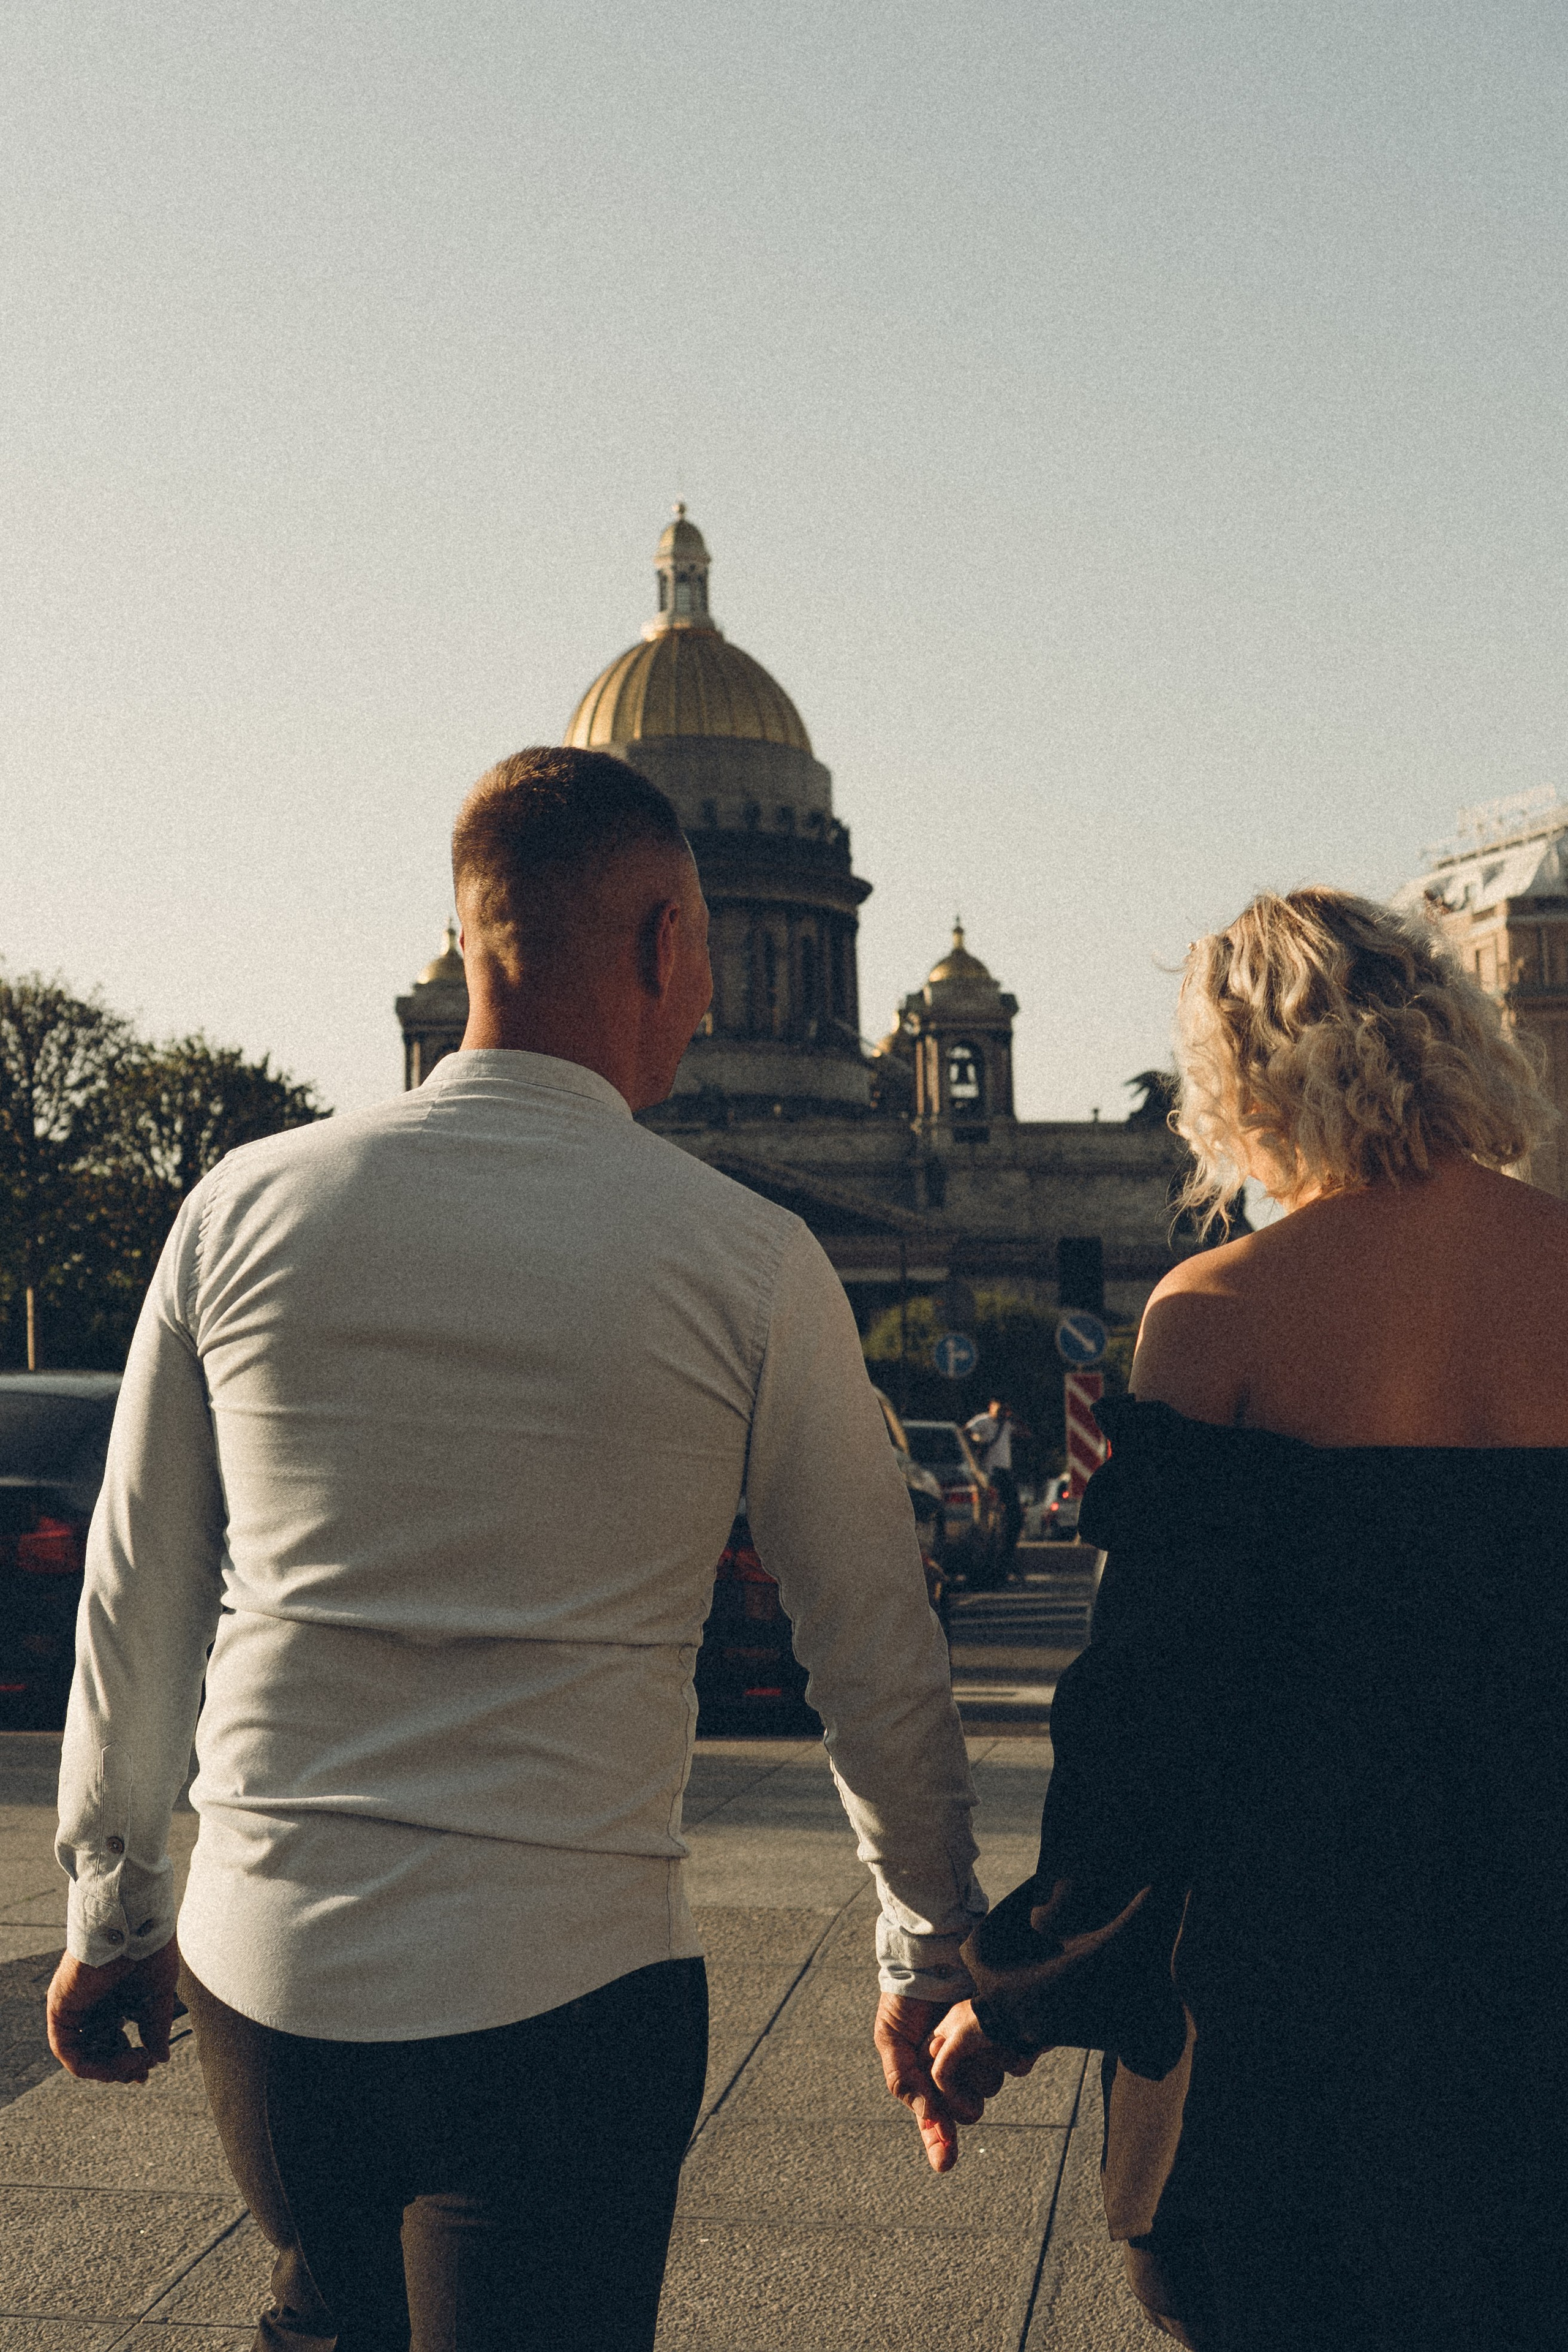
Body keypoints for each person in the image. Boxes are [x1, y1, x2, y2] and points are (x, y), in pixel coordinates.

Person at [47, 747, 986, 2352]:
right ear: (668, 939)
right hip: (571, 1980)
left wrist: (113, 1910)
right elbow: (872, 1651)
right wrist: (930, 1944)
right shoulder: (750, 1261)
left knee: (326, 2316)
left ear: (473, 941)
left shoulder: (239, 1208)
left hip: (274, 1972)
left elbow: (138, 1598)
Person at [923, 887, 1568, 2351]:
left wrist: (1006, 1995)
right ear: (1454, 1035)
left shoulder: (1213, 1312)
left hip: (1287, 2053)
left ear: (1241, 1080)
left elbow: (1141, 1735)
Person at [963, 1398, 1026, 1561]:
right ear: (991, 1407)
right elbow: (967, 1431)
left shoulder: (1007, 1424)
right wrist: (978, 1441)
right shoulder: (983, 1421)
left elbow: (1024, 1432)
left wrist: (1013, 1417)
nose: (1000, 1413)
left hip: (1004, 1471)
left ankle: (1009, 1550)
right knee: (992, 1511)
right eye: (998, 1409)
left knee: (1014, 1513)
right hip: (990, 1472)